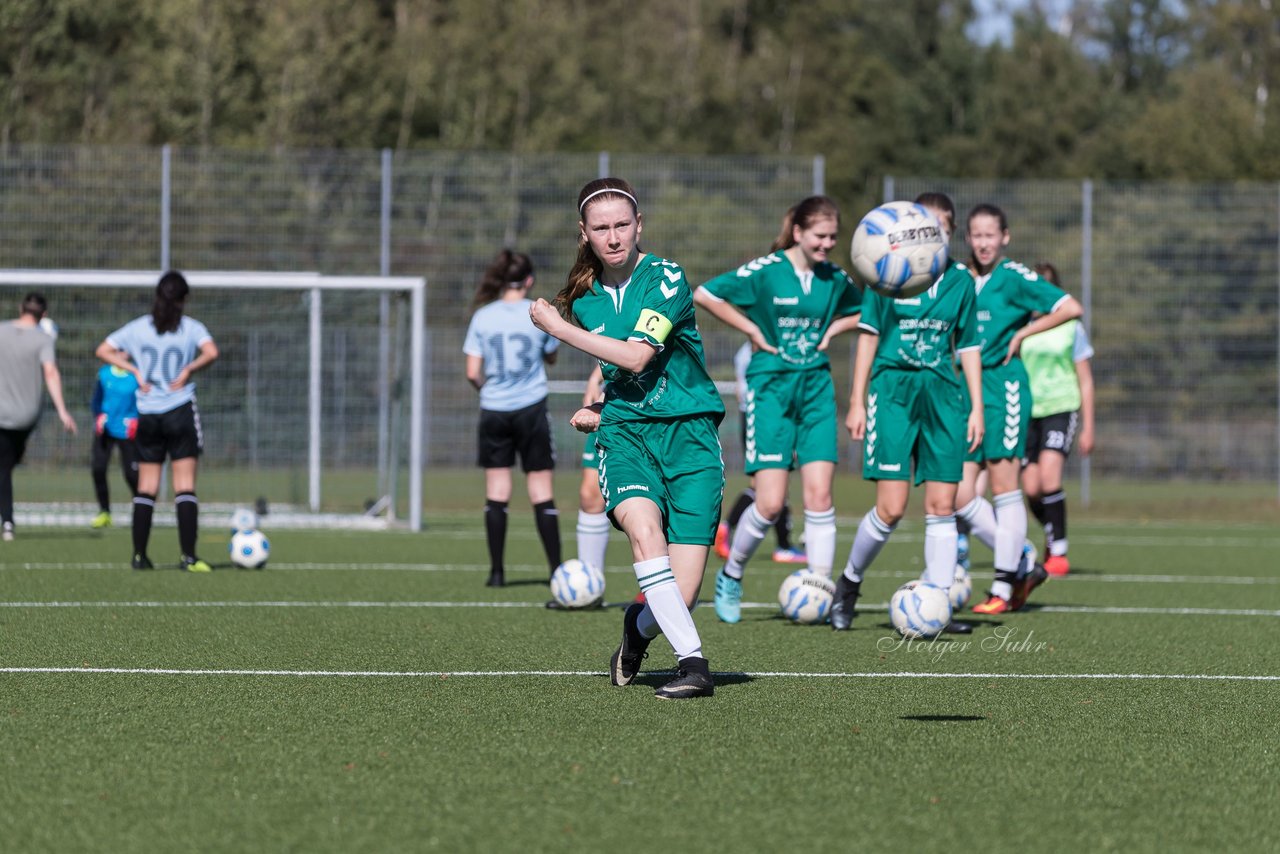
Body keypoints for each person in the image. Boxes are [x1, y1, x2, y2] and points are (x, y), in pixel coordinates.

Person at [530, 177, 724, 700]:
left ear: (639, 225)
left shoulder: (666, 277)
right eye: (601, 228)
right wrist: (603, 410)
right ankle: (694, 665)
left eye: (622, 225)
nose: (613, 237)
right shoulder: (584, 298)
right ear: (584, 234)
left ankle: (634, 635)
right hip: (627, 439)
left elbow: (638, 356)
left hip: (691, 437)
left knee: (680, 594)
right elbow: (615, 368)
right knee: (643, 531)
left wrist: (557, 329)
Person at [693, 195, 862, 624]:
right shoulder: (766, 272)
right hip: (771, 389)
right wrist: (751, 327)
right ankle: (731, 575)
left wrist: (832, 330)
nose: (827, 244)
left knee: (820, 496)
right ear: (799, 232)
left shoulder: (834, 277)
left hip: (817, 391)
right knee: (769, 503)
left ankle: (820, 588)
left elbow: (868, 311)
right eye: (820, 236)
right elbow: (706, 293)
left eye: (832, 238)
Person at [831, 193, 983, 633]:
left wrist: (976, 408)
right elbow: (869, 336)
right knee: (892, 507)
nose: (931, 236)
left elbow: (969, 345)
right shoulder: (885, 272)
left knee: (942, 504)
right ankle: (849, 584)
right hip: (894, 391)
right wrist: (858, 399)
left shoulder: (960, 281)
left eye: (941, 229)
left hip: (943, 394)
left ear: (949, 234)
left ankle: (937, 600)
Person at [953, 205, 1083, 614]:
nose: (984, 243)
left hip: (1003, 387)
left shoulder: (1015, 277)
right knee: (957, 495)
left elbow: (1070, 307)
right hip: (964, 390)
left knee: (1004, 487)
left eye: (991, 235)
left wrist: (1024, 332)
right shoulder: (958, 278)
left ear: (1005, 237)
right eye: (976, 235)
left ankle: (1003, 588)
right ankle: (1024, 559)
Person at [96, 271, 219, 571]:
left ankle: (140, 556)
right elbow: (212, 352)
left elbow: (102, 350)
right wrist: (189, 369)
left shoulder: (138, 328)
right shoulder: (191, 328)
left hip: (147, 413)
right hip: (179, 410)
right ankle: (189, 557)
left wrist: (135, 370)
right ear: (184, 299)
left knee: (146, 486)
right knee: (185, 485)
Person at [463, 249, 562, 588]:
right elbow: (551, 356)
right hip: (531, 407)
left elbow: (473, 371)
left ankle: (496, 573)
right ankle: (556, 572)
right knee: (540, 489)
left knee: (497, 491)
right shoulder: (540, 313)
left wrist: (490, 388)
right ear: (529, 280)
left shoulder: (483, 317)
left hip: (494, 409)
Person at [1020, 262, 1095, 576]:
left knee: (1050, 478)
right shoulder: (1018, 325)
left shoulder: (1070, 327)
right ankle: (1051, 533)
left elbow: (1086, 380)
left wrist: (1089, 426)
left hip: (1060, 408)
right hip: (1026, 412)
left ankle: (1059, 551)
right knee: (1031, 488)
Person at [713, 341, 805, 565]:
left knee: (764, 484)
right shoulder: (767, 347)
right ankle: (782, 545)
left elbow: (739, 391)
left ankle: (728, 528)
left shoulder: (744, 350)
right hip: (766, 418)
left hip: (753, 417)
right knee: (773, 483)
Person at [0, 292, 78, 541]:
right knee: (5, 466)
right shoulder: (44, 338)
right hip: (26, 416)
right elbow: (51, 373)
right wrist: (63, 411)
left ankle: (8, 521)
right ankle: (8, 521)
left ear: (20, 307)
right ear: (43, 314)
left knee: (4, 467)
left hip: (3, 414)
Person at [88, 360, 141, 529]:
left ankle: (141, 508)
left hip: (127, 429)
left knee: (132, 474)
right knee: (98, 468)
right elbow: (96, 399)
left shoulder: (136, 374)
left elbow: (144, 399)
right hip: (106, 429)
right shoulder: (104, 374)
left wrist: (138, 420)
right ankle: (104, 511)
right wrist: (98, 415)